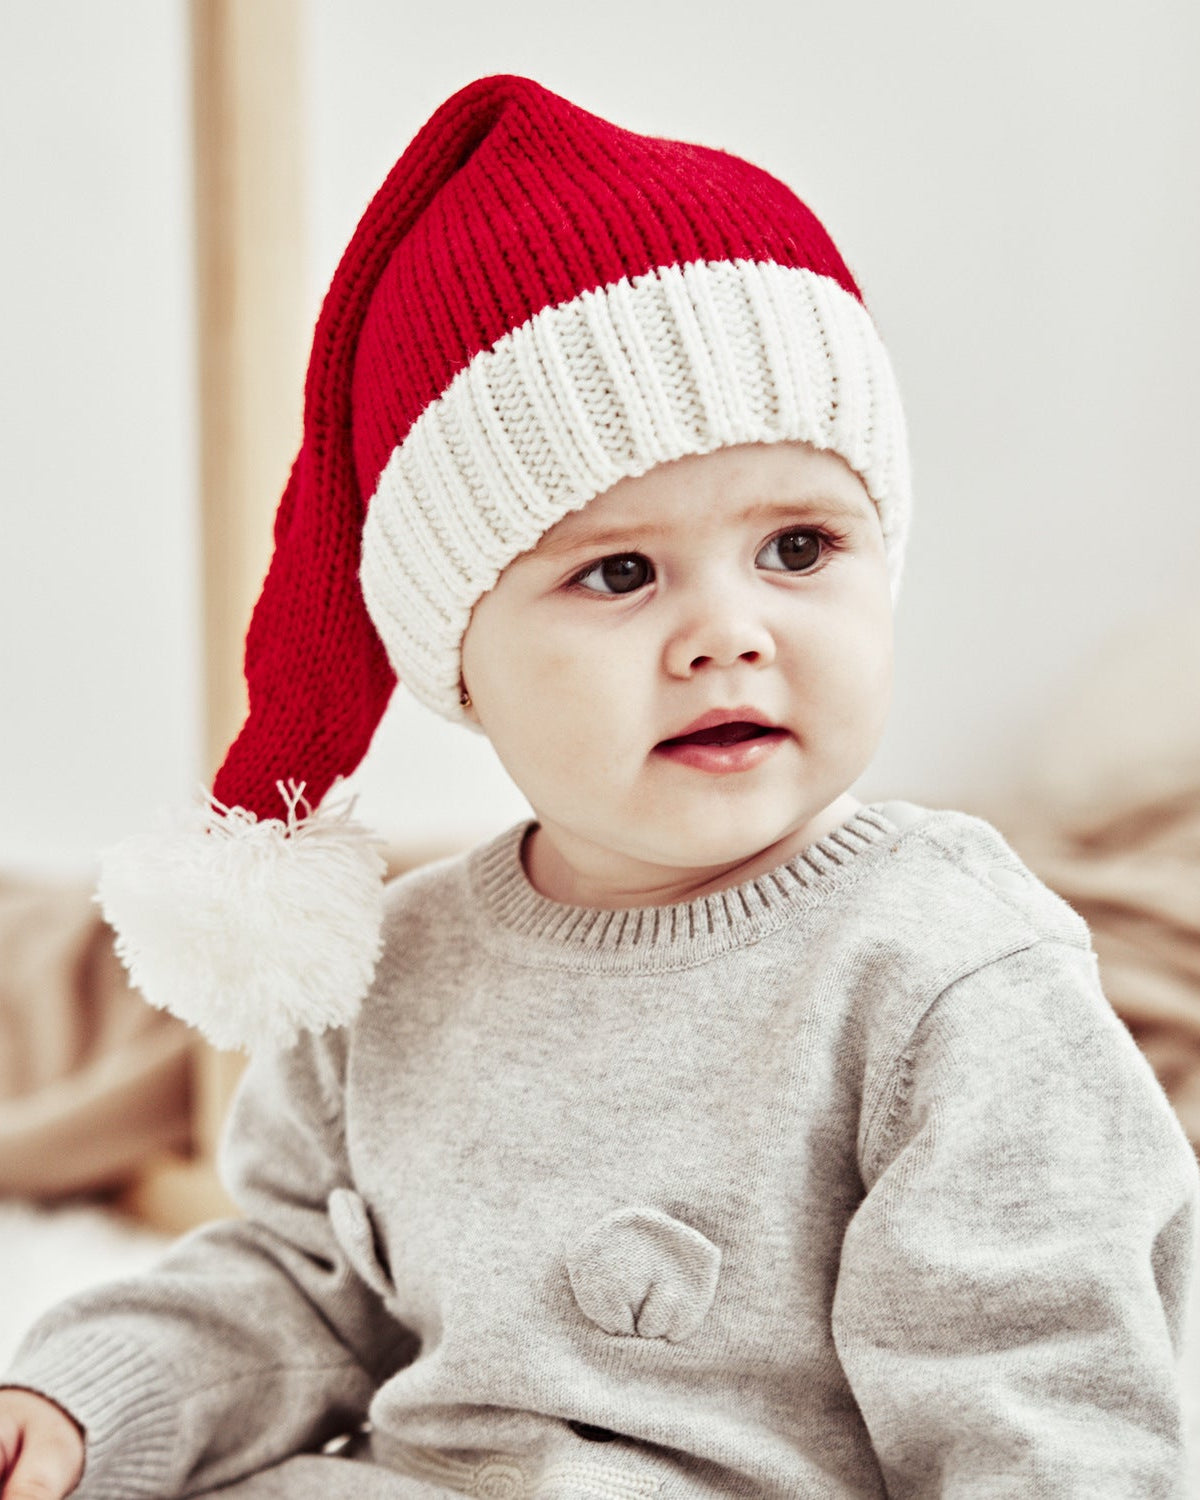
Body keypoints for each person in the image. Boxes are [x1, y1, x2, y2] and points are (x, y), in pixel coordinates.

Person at [0, 73, 1195, 1500]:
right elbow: (295, 1294)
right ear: (460, 652)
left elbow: (1045, 1410)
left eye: (800, 548)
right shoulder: (393, 975)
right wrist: (78, 1402)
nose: (728, 631)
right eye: (619, 573)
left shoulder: (949, 972)